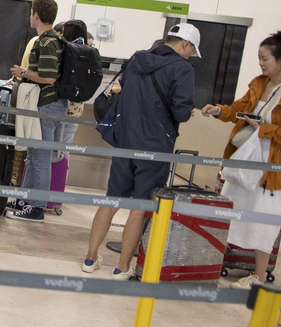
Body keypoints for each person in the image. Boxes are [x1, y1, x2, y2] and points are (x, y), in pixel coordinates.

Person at [83, 23, 199, 275]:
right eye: (191, 50)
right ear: (185, 44)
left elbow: (124, 89)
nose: (190, 55)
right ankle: (122, 267)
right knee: (139, 206)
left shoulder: (137, 58)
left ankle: (90, 259)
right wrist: (187, 112)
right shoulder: (183, 68)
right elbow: (181, 110)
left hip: (125, 140)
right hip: (155, 146)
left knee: (111, 199)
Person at [202, 30, 281, 286]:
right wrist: (219, 110)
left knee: (264, 222)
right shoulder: (258, 83)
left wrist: (262, 128)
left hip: (274, 168)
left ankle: (259, 276)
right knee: (230, 211)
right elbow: (239, 110)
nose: (261, 63)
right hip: (246, 159)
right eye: (259, 58)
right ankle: (211, 264)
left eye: (265, 59)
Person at [6, 0, 71, 223]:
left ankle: (37, 208)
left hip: (46, 105)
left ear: (36, 15)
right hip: (48, 105)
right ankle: (25, 201)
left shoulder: (47, 42)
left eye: (31, 12)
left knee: (40, 157)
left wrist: (23, 73)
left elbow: (49, 77)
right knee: (34, 156)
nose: (30, 16)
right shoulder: (54, 40)